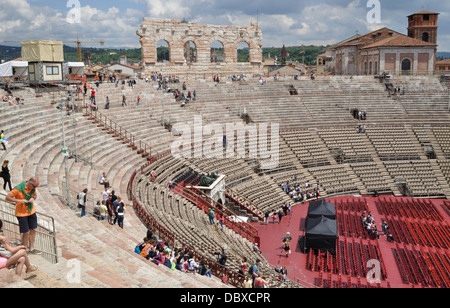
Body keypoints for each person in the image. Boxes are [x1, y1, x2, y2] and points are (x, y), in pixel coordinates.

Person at [5, 177, 40, 254]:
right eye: (34, 186)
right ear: (30, 184)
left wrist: (33, 198)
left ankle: (32, 248)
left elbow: (35, 195)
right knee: (26, 232)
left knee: (33, 230)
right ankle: (24, 249)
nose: (35, 188)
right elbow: (7, 198)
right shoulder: (18, 189)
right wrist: (19, 201)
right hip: (21, 214)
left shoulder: (33, 189)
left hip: (31, 211)